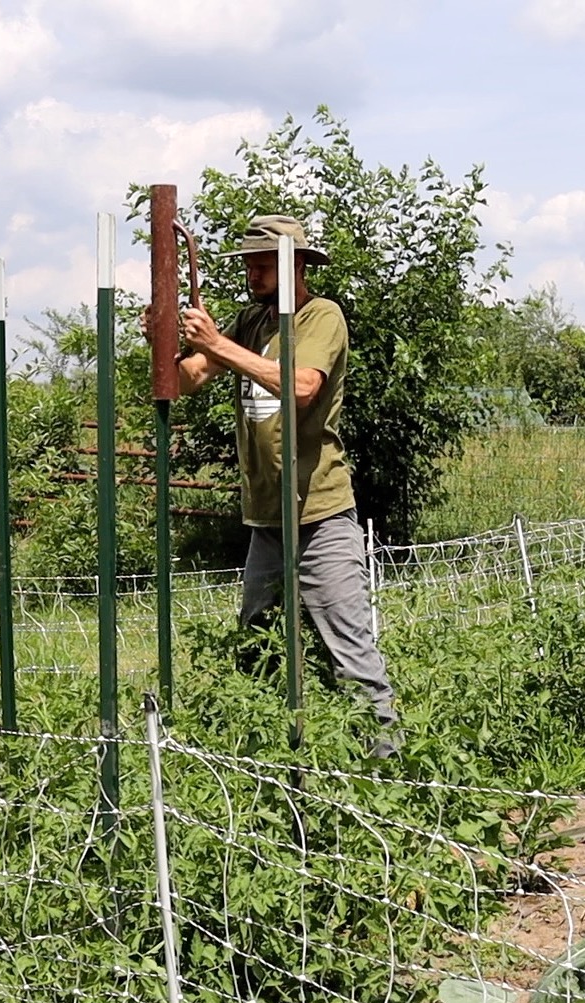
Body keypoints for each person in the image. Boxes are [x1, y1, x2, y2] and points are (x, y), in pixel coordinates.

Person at [172, 214, 402, 757]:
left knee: (349, 649)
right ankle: (264, 761)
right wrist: (163, 342)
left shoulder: (322, 316)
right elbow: (189, 381)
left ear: (295, 264)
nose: (251, 271)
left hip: (319, 512)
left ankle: (389, 768)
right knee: (257, 643)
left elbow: (301, 386)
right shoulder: (251, 321)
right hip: (267, 519)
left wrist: (218, 345)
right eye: (247, 262)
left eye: (262, 261)